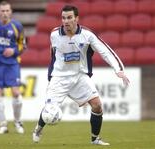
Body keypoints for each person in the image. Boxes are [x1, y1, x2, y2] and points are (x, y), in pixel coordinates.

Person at [32, 5, 130, 145]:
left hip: (79, 76)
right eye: (64, 18)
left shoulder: (87, 34)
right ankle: (38, 129)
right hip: (59, 78)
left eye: (70, 17)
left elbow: (105, 51)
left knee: (97, 105)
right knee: (49, 111)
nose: (66, 21)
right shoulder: (54, 34)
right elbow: (52, 56)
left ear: (76, 18)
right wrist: (51, 76)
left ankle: (95, 139)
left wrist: (118, 69)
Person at [0, 1, 26, 134]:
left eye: (7, 10)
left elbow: (22, 45)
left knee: (16, 92)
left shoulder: (17, 26)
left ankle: (18, 122)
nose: (5, 13)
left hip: (12, 64)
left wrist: (14, 51)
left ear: (11, 12)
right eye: (2, 11)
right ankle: (2, 125)